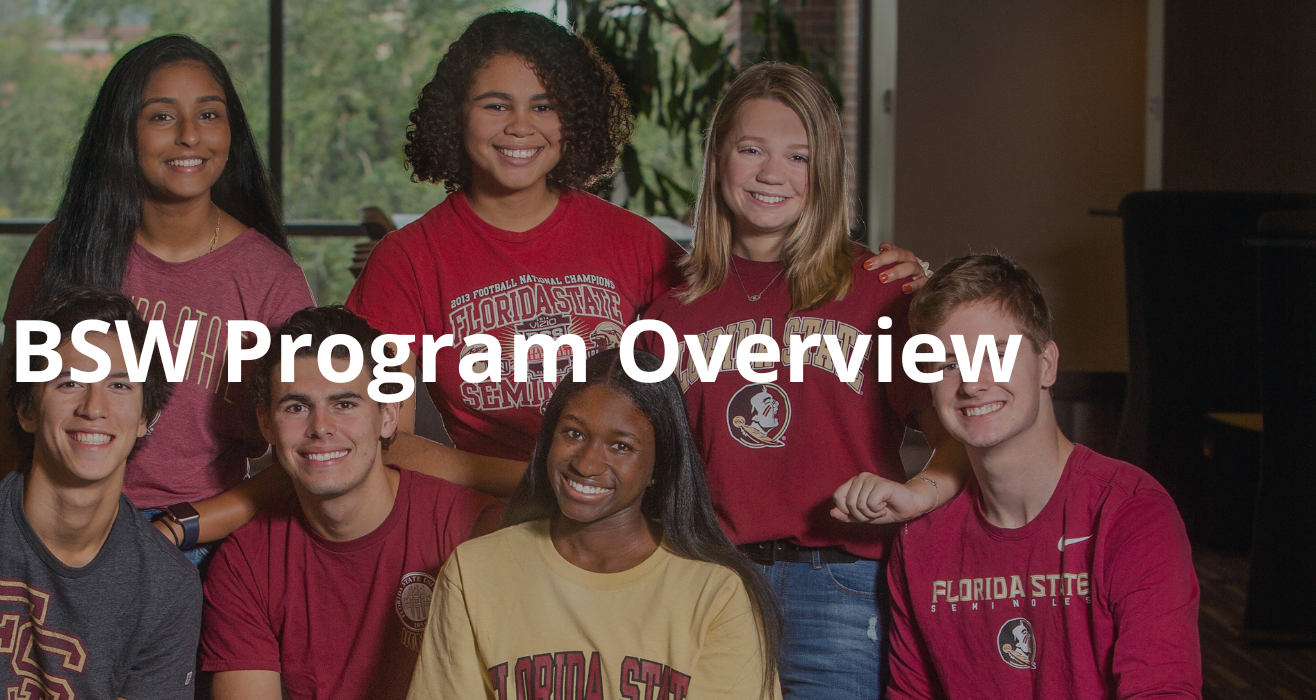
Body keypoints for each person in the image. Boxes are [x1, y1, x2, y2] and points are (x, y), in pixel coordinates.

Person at [347, 11, 940, 499]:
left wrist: (912, 293)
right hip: (495, 517)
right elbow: (381, 433)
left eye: (545, 105)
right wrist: (538, 482)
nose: (521, 127)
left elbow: (743, 320)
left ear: (575, 117)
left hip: (633, 520)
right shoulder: (409, 259)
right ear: (458, 116)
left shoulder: (635, 244)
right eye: (496, 105)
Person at [639, 62, 970, 699]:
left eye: (799, 155)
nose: (772, 174)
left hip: (842, 583)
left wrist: (920, 495)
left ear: (826, 172)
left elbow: (959, 431)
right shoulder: (670, 310)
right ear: (717, 160)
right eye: (751, 149)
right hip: (713, 580)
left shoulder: (879, 288)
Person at [0, 35, 314, 564]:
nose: (188, 136)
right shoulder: (63, 249)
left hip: (199, 533)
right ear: (123, 132)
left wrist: (184, 527)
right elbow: (7, 413)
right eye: (160, 117)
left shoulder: (271, 278)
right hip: (56, 526)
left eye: (209, 114)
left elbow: (300, 455)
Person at [885, 254, 1201, 698]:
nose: (973, 383)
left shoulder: (1131, 512)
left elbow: (1162, 691)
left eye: (996, 355)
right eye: (949, 365)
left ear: (1047, 364)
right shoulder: (921, 539)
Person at [0, 288, 201, 700]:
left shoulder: (167, 584)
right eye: (70, 382)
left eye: (119, 384)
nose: (94, 407)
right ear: (27, 409)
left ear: (145, 417)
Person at [407, 347, 784, 700]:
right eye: (573, 433)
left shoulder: (716, 592)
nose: (586, 464)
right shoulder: (474, 572)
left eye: (621, 446)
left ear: (659, 464)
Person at [199, 306, 504, 700]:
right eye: (296, 407)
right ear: (266, 424)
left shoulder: (472, 527)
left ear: (388, 415)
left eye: (344, 404)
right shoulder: (245, 563)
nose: (321, 426)